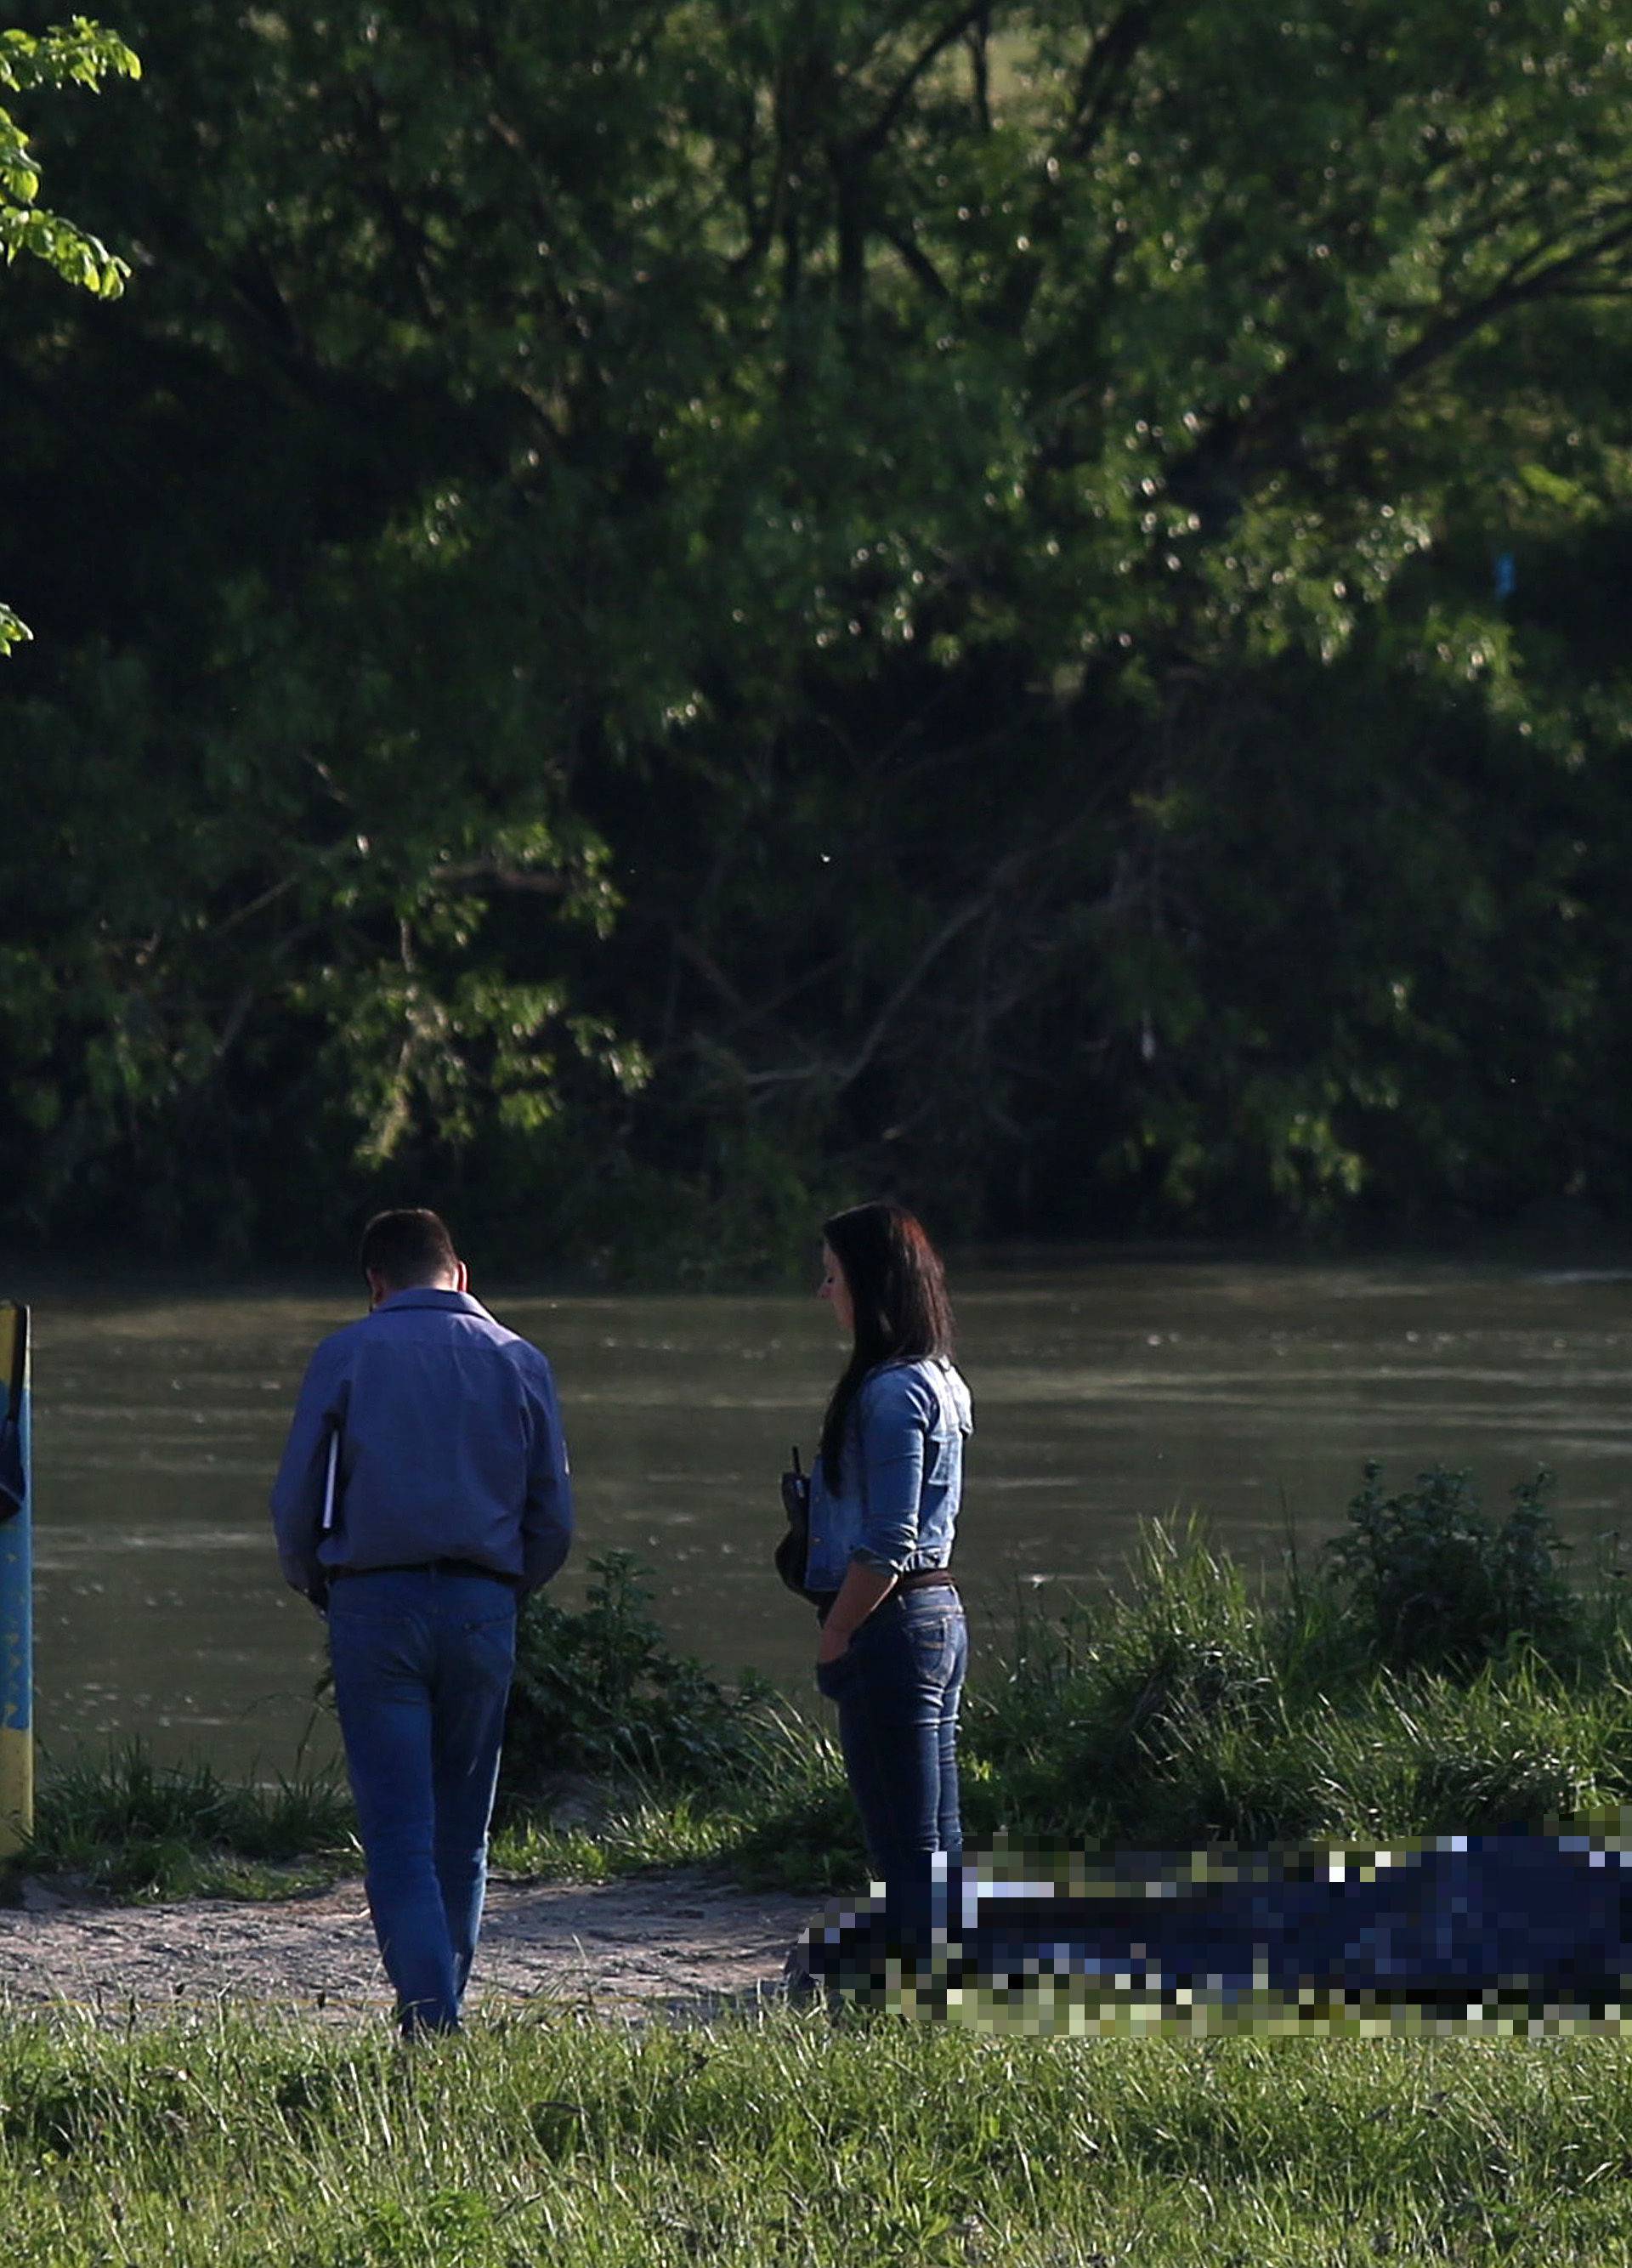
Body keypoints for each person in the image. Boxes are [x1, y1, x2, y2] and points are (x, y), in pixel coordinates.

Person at [270, 1207, 572, 2036]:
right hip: (483, 1604)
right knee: (462, 1833)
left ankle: (430, 2022)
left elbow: (295, 1501)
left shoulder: (347, 1353)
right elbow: (554, 1517)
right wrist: (506, 1592)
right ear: (461, 1273)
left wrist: (315, 1582)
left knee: (399, 1833)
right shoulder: (521, 1359)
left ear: (375, 1283)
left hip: (374, 1602)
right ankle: (441, 2016)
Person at [802, 1200, 972, 1966]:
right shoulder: (940, 1378)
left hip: (894, 1626)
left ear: (868, 1286)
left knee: (902, 1839)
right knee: (937, 1834)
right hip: (938, 1617)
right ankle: (952, 1973)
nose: (824, 1293)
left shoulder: (890, 1391)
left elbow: (889, 1541)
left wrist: (838, 1629)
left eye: (832, 1276)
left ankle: (918, 1991)